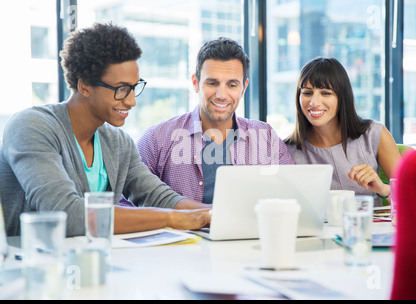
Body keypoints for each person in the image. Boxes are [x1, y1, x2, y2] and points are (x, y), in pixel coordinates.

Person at [0, 22, 211, 237]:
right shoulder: (31, 127)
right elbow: (68, 216)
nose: (131, 101)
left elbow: (160, 197)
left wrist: (216, 214)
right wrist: (171, 219)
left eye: (134, 88)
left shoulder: (118, 143)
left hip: (91, 261)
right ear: (84, 86)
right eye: (121, 89)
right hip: (30, 265)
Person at [123, 37, 293, 204]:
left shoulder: (266, 138)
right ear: (195, 83)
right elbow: (125, 205)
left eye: (232, 85)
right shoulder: (157, 139)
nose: (221, 95)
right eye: (212, 83)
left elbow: (294, 196)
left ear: (244, 88)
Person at [285, 57, 400, 206]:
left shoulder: (374, 135)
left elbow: (414, 198)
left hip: (367, 228)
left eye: (326, 93)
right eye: (307, 93)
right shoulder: (287, 151)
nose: (314, 102)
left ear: (342, 97)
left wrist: (383, 189)